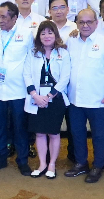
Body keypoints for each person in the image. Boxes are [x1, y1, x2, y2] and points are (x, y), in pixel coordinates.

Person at [65, 8, 104, 183]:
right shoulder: (71, 41)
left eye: (89, 22)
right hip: (75, 98)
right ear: (77, 24)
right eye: (81, 22)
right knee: (77, 133)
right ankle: (81, 163)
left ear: (96, 23)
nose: (85, 25)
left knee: (99, 135)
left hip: (97, 100)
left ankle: (98, 165)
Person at [0, 2, 32, 174]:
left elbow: (30, 60)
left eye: (4, 17)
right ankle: (1, 158)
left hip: (18, 89)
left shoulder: (26, 34)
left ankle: (23, 160)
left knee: (20, 126)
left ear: (15, 18)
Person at [24, 20, 71, 179]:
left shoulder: (63, 53)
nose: (46, 36)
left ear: (55, 35)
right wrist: (35, 95)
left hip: (55, 99)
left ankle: (52, 164)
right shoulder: (33, 53)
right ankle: (42, 163)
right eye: (43, 33)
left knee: (53, 133)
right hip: (36, 100)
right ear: (39, 36)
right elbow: (27, 74)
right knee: (39, 133)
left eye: (50, 32)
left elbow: (65, 78)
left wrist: (49, 95)